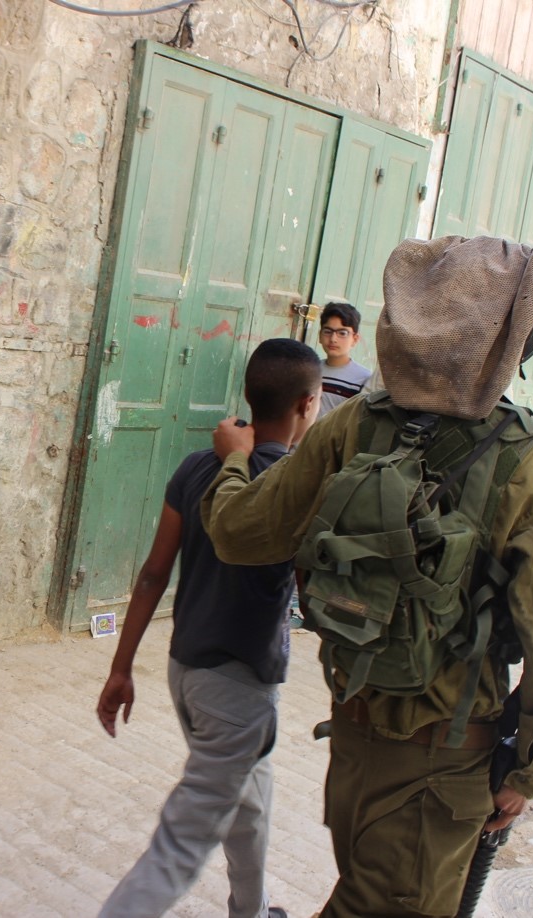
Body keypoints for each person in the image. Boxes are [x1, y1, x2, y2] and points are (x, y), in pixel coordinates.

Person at [202, 236, 533, 918]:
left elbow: (239, 533)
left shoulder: (355, 424)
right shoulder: (532, 462)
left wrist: (236, 461)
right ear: (514, 343)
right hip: (444, 766)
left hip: (353, 742)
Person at [96, 339, 322, 918]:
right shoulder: (297, 483)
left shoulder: (198, 466)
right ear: (307, 404)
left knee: (249, 801)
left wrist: (121, 668)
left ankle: (252, 910)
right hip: (237, 689)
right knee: (180, 846)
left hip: (186, 672)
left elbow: (152, 574)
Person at [316, 301, 372, 416]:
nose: (333, 339)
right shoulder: (310, 370)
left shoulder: (363, 379)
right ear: (320, 336)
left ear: (355, 339)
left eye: (342, 333)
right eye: (327, 331)